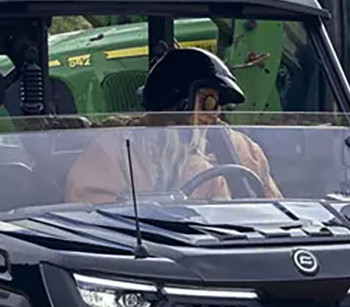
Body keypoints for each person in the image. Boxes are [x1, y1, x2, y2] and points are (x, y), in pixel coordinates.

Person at [65, 46, 279, 205]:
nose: (215, 114)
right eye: (208, 102)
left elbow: (276, 212)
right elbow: (94, 220)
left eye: (219, 105)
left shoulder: (244, 150)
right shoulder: (116, 150)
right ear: (177, 101)